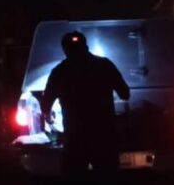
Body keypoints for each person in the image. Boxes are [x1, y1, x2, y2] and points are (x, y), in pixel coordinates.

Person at [43, 31, 131, 176]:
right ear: (86, 46)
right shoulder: (105, 65)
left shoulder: (59, 71)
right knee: (108, 179)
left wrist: (49, 117)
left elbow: (46, 103)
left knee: (75, 181)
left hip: (75, 138)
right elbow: (125, 94)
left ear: (65, 50)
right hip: (104, 135)